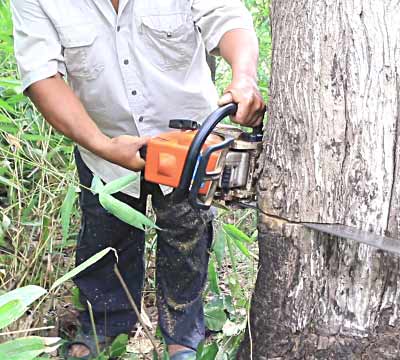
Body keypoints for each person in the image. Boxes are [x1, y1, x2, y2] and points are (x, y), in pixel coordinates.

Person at [11, 1, 265, 359]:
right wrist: (103, 145)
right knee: (104, 237)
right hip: (103, 145)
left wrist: (243, 77)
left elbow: (227, 18)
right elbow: (41, 74)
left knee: (186, 236)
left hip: (187, 141)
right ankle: (104, 328)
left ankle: (183, 338)